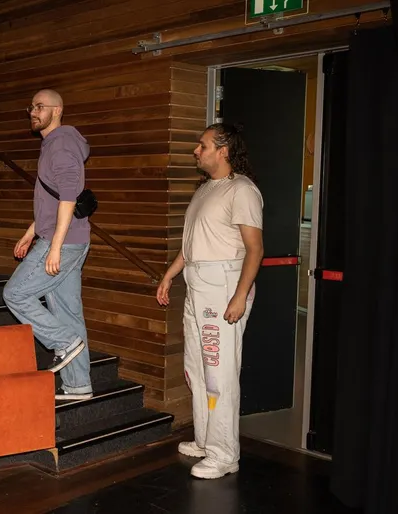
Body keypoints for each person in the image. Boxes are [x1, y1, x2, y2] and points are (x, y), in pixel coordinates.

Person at [156, 123, 264, 480]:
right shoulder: (205, 190)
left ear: (224, 151)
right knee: (197, 369)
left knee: (218, 371)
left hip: (223, 287)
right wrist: (170, 275)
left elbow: (255, 249)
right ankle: (206, 440)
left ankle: (224, 454)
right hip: (197, 283)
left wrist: (238, 296)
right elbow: (192, 246)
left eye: (202, 145)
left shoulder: (242, 190)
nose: (196, 151)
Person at [3, 89, 93, 401]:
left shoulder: (62, 144)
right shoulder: (54, 143)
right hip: (70, 238)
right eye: (31, 106)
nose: (33, 111)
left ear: (57, 110)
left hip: (63, 242)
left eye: (40, 107)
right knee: (68, 311)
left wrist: (53, 246)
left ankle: (64, 342)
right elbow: (53, 196)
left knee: (15, 294)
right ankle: (78, 384)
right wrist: (32, 231)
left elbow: (69, 196)